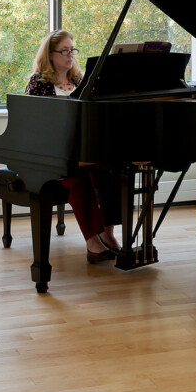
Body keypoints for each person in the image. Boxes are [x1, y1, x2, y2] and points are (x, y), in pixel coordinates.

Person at [26, 30, 122, 262]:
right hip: (51, 154)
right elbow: (33, 124)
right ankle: (92, 241)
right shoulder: (38, 83)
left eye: (72, 50)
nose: (70, 55)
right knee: (79, 178)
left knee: (112, 171)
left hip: (83, 149)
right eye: (64, 51)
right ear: (50, 55)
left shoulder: (81, 81)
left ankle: (107, 233)